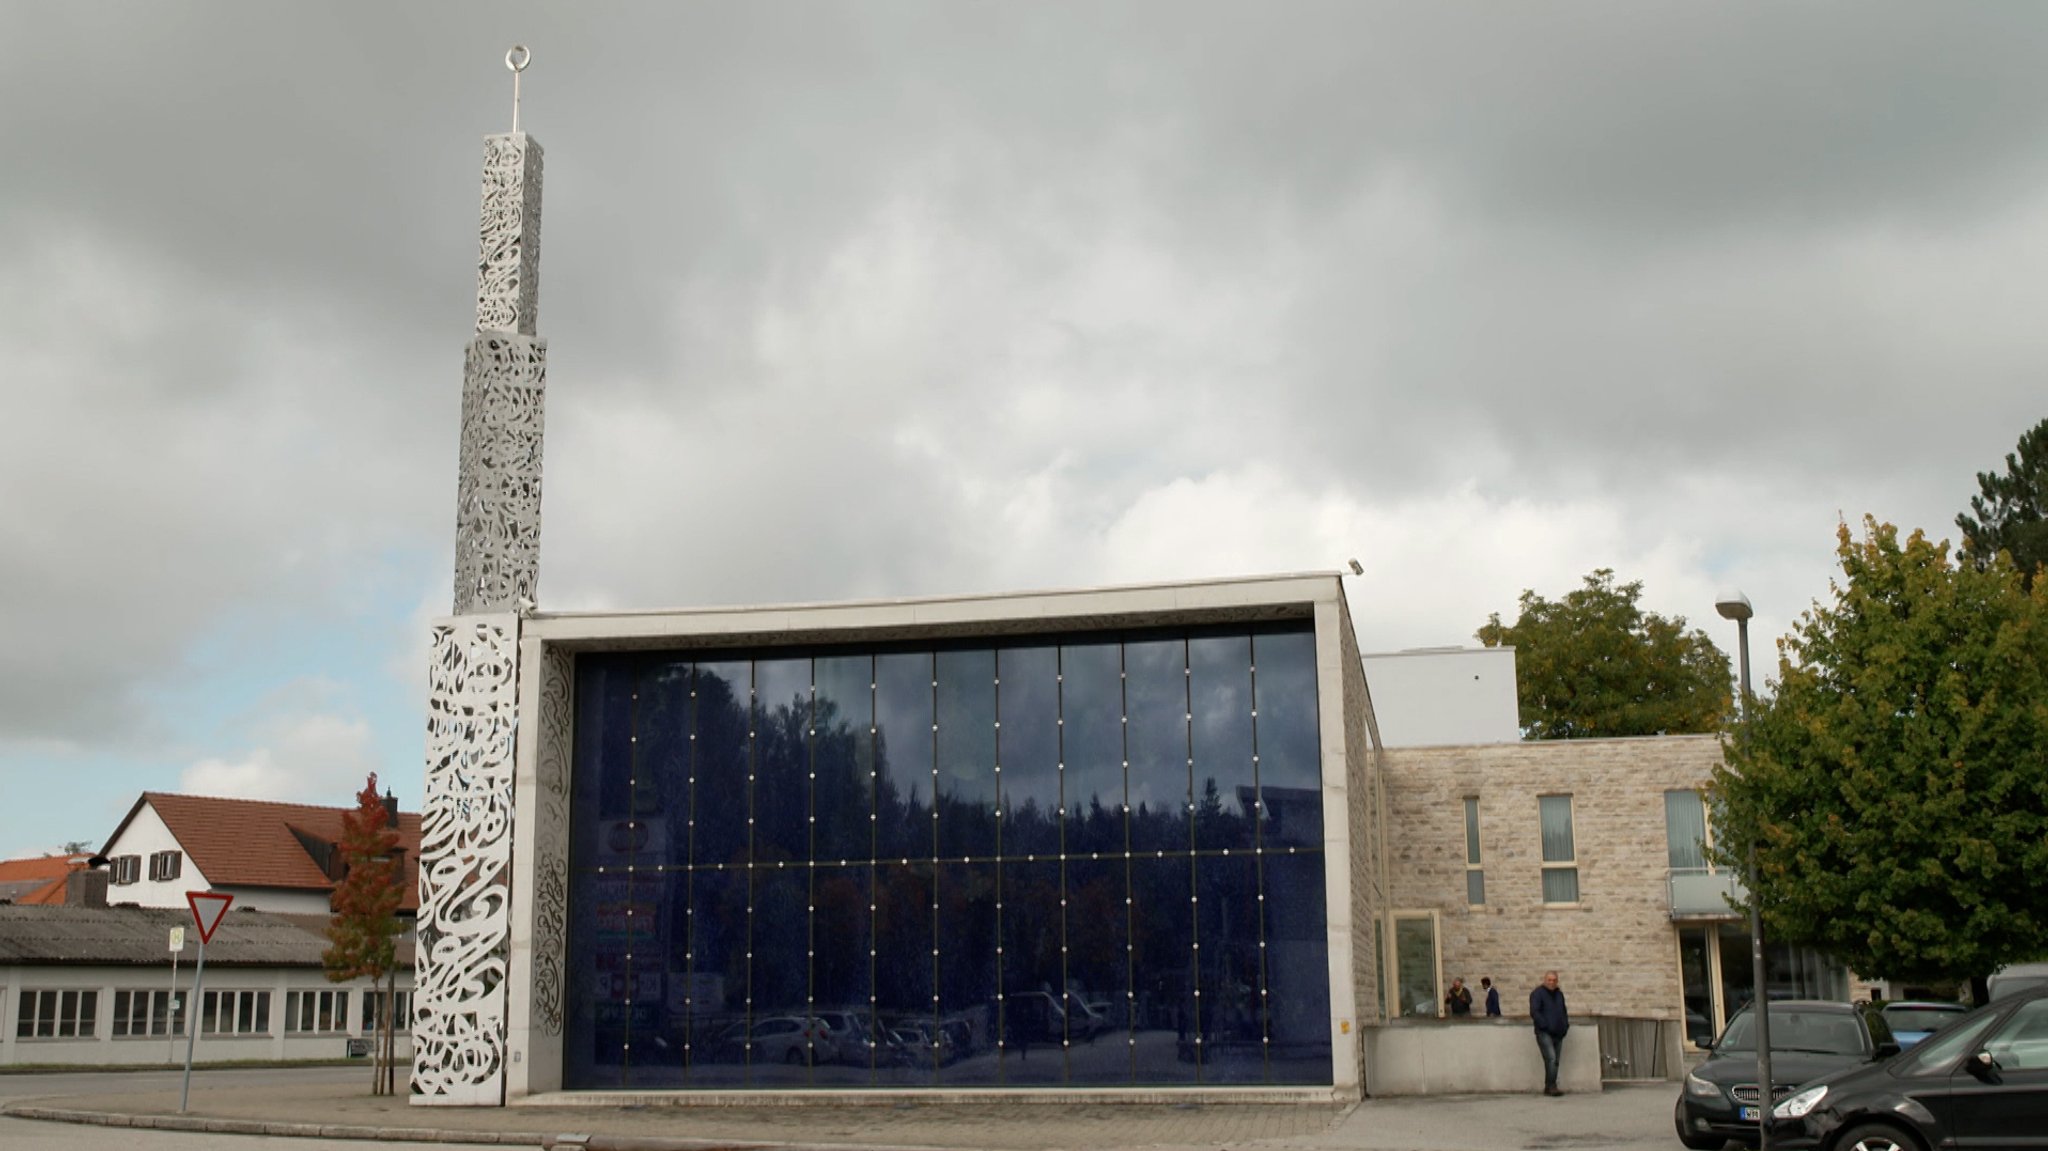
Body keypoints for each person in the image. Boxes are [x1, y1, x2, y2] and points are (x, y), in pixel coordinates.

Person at [1530, 970, 1570, 1095]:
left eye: (1554, 980)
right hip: (1544, 1032)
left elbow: (1563, 1011)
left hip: (1558, 1032)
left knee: (1555, 1061)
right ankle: (1552, 1086)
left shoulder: (1559, 995)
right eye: (1549, 980)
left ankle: (1549, 1086)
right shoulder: (1537, 994)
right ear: (1545, 980)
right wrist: (1544, 1025)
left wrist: (1565, 1026)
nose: (1552, 982)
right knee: (1551, 1058)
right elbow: (1535, 1012)